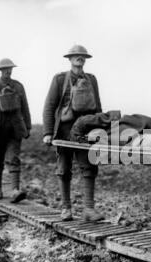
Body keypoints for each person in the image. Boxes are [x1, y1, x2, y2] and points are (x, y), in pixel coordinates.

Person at [43, 44, 103, 222]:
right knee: (63, 169)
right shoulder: (60, 79)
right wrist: (47, 132)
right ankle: (66, 209)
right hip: (64, 130)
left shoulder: (91, 79)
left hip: (85, 131)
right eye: (76, 56)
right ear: (69, 59)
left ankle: (89, 210)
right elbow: (50, 106)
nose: (80, 58)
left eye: (83, 56)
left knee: (89, 167)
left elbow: (98, 107)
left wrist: (100, 129)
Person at [0, 58, 31, 203]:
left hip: (15, 129)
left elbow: (25, 108)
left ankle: (15, 190)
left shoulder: (19, 87)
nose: (7, 72)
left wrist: (27, 127)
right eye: (4, 69)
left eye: (10, 69)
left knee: (14, 158)